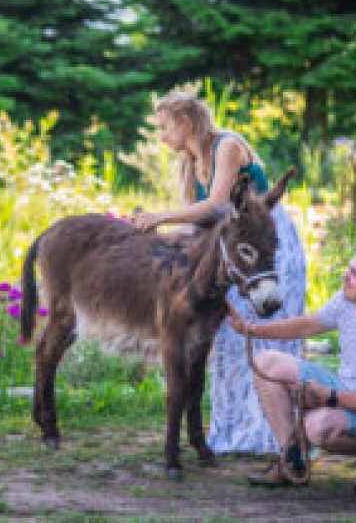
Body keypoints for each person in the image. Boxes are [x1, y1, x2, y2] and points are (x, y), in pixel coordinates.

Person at [130, 90, 306, 455]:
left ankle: (274, 431)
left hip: (263, 245)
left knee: (268, 333)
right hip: (231, 251)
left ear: (185, 122)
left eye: (165, 127)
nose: (161, 137)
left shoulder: (227, 146)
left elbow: (216, 205)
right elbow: (200, 226)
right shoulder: (190, 164)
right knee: (229, 338)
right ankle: (236, 430)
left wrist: (160, 218)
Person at [227, 242, 356, 493]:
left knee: (317, 426)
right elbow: (308, 324)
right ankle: (292, 461)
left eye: (355, 274)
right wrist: (250, 329)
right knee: (266, 363)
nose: (345, 276)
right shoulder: (346, 301)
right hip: (346, 389)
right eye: (349, 269)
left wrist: (329, 397)